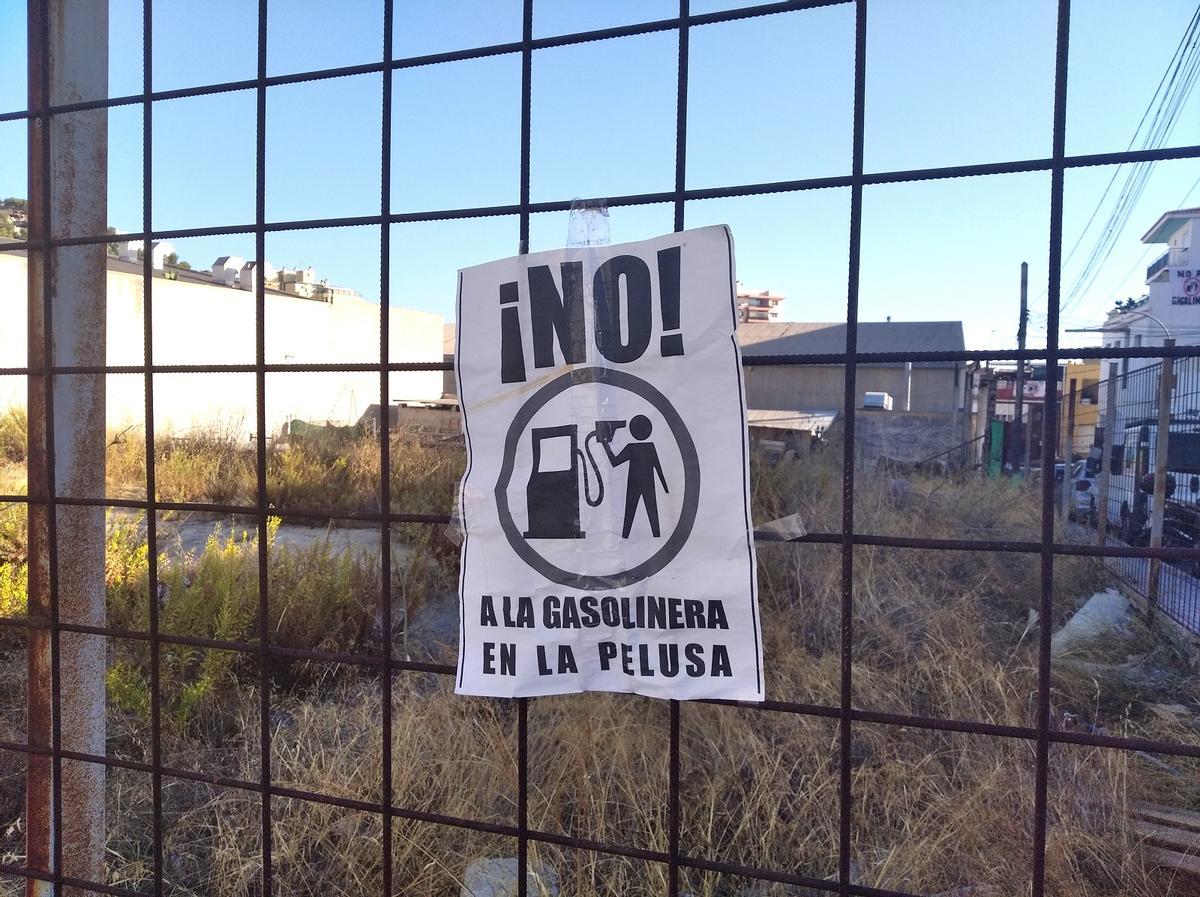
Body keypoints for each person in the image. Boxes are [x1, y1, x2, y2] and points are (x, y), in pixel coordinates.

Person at [602, 414, 669, 538]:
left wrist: (605, 444)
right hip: (643, 484)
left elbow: (614, 462)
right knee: (649, 513)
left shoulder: (633, 447)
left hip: (635, 484)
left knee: (633, 513)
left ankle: (627, 537)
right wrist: (665, 488)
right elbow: (658, 468)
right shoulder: (648, 447)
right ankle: (653, 537)